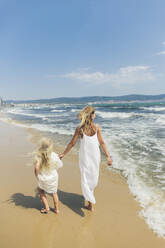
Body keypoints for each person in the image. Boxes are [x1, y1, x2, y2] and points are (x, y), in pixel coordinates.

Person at [60, 106, 112, 212]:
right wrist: (108, 156)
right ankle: (90, 203)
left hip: (85, 156)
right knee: (92, 177)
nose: (95, 115)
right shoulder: (96, 127)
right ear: (91, 115)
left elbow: (72, 143)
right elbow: (102, 142)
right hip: (95, 156)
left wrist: (63, 154)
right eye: (94, 113)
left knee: (85, 177)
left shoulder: (80, 128)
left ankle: (90, 202)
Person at [34, 138, 63, 214]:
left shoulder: (39, 156)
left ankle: (46, 207)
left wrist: (37, 176)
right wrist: (59, 158)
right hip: (53, 177)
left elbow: (36, 167)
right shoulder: (54, 155)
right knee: (54, 193)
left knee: (40, 190)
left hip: (43, 177)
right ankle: (56, 209)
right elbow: (58, 163)